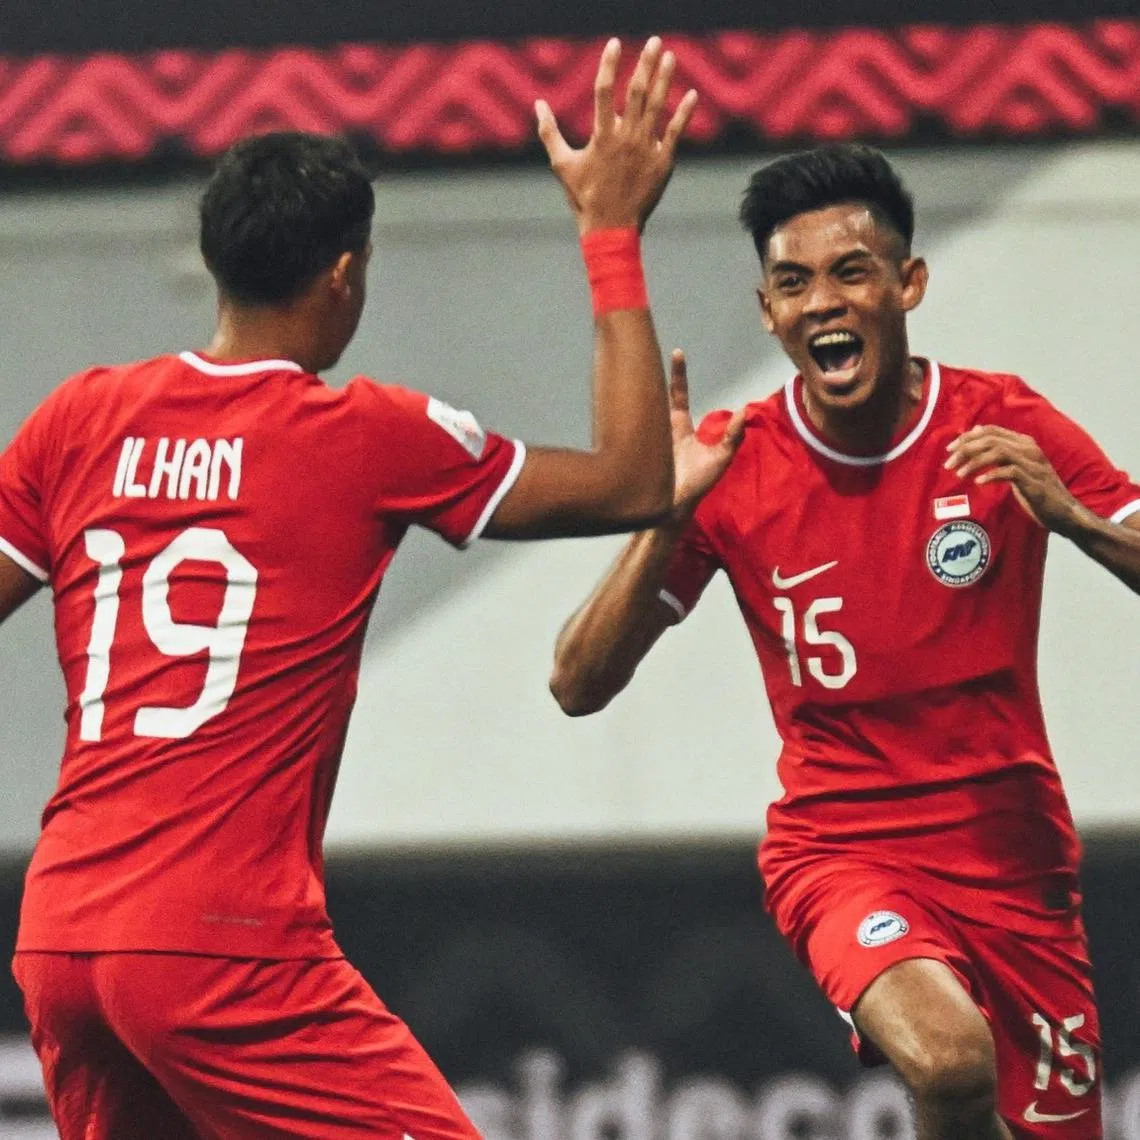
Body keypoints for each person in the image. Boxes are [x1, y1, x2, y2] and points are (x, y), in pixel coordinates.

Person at [0, 37, 697, 1140]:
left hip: (63, 936)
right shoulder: (362, 434)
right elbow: (633, 481)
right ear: (345, 273)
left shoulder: (78, 417)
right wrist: (610, 234)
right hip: (217, 943)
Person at [549, 142, 1140, 1140]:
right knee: (951, 1063)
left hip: (1013, 859)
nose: (821, 301)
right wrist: (663, 521)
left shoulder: (1000, 423)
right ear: (769, 311)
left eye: (849, 272)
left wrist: (1076, 519)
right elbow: (577, 681)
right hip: (845, 850)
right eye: (793, 283)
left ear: (908, 283)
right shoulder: (733, 463)